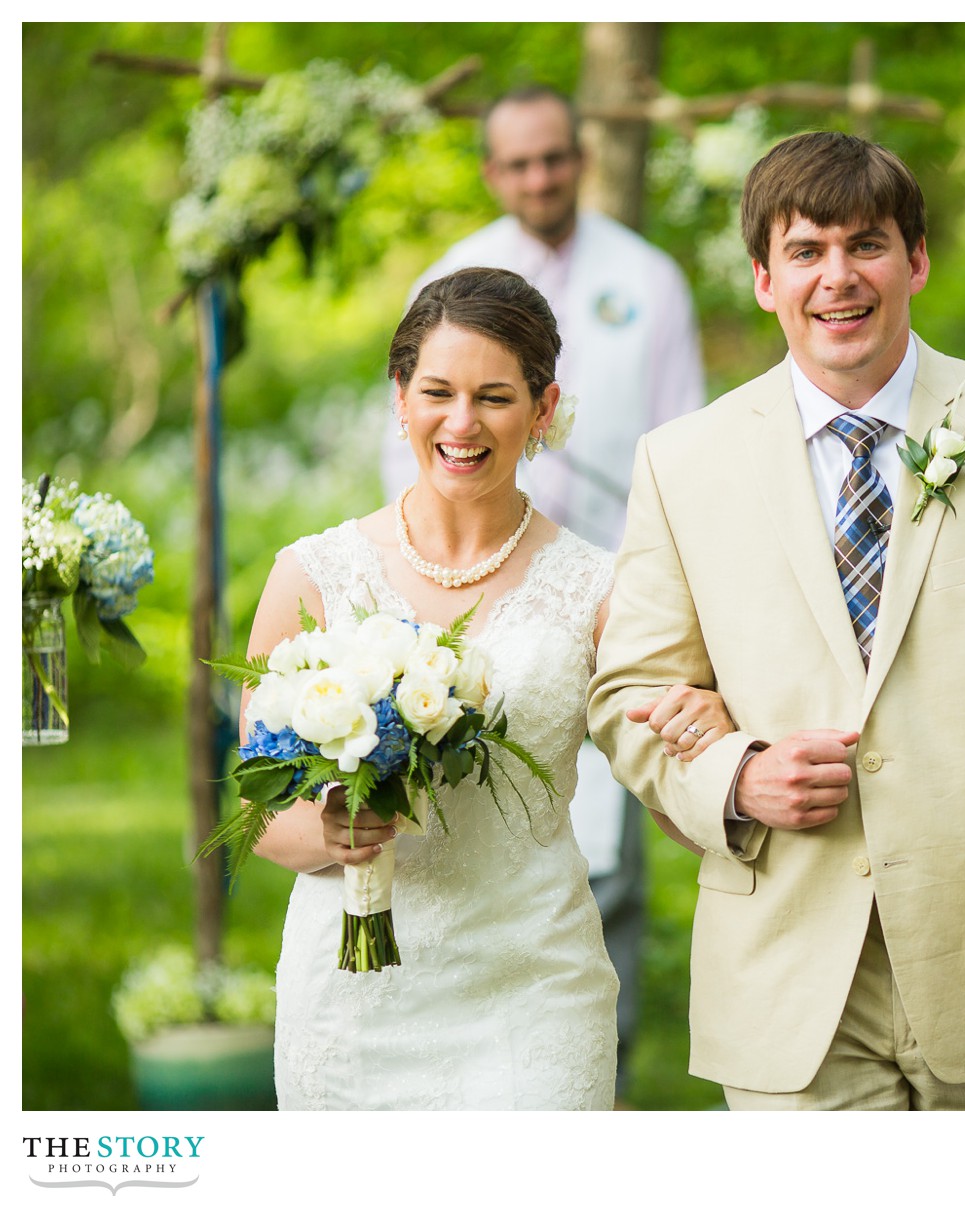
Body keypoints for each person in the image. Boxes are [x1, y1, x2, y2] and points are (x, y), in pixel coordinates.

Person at [588, 131, 965, 1111]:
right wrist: (737, 777)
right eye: (805, 251)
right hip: (783, 965)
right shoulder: (681, 464)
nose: (837, 277)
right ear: (764, 278)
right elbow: (629, 695)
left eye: (865, 245)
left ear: (916, 260)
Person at [252, 267, 730, 1110]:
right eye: (436, 391)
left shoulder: (599, 589)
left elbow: (673, 793)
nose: (462, 423)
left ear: (543, 412)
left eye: (496, 398)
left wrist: (718, 734)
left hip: (534, 994)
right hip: (351, 1004)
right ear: (399, 398)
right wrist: (334, 831)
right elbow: (256, 813)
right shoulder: (314, 575)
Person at [380, 85, 708, 1098]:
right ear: (491, 173)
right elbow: (410, 445)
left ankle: (586, 1062)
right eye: (517, 164)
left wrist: (655, 602)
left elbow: (680, 444)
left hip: (601, 590)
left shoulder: (645, 281)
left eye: (554, 159)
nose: (538, 179)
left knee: (607, 841)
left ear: (580, 158)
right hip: (461, 598)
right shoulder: (449, 277)